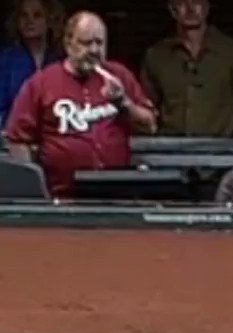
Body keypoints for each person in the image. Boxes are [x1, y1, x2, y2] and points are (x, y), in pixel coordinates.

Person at [3, 10, 155, 197]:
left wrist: (123, 103)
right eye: (86, 43)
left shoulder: (118, 76)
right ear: (68, 44)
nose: (94, 50)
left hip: (117, 192)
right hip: (62, 195)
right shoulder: (41, 83)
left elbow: (150, 125)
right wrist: (33, 190)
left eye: (99, 43)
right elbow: (17, 138)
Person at [140, 0, 233, 137]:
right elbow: (145, 105)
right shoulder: (157, 55)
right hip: (170, 144)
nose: (190, 8)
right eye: (182, 2)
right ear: (172, 9)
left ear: (207, 6)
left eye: (196, 2)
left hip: (221, 145)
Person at [0, 0, 65, 128]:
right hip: (12, 132)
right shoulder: (5, 59)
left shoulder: (61, 60)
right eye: (24, 15)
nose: (29, 21)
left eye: (37, 15)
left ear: (49, 20)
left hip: (53, 133)